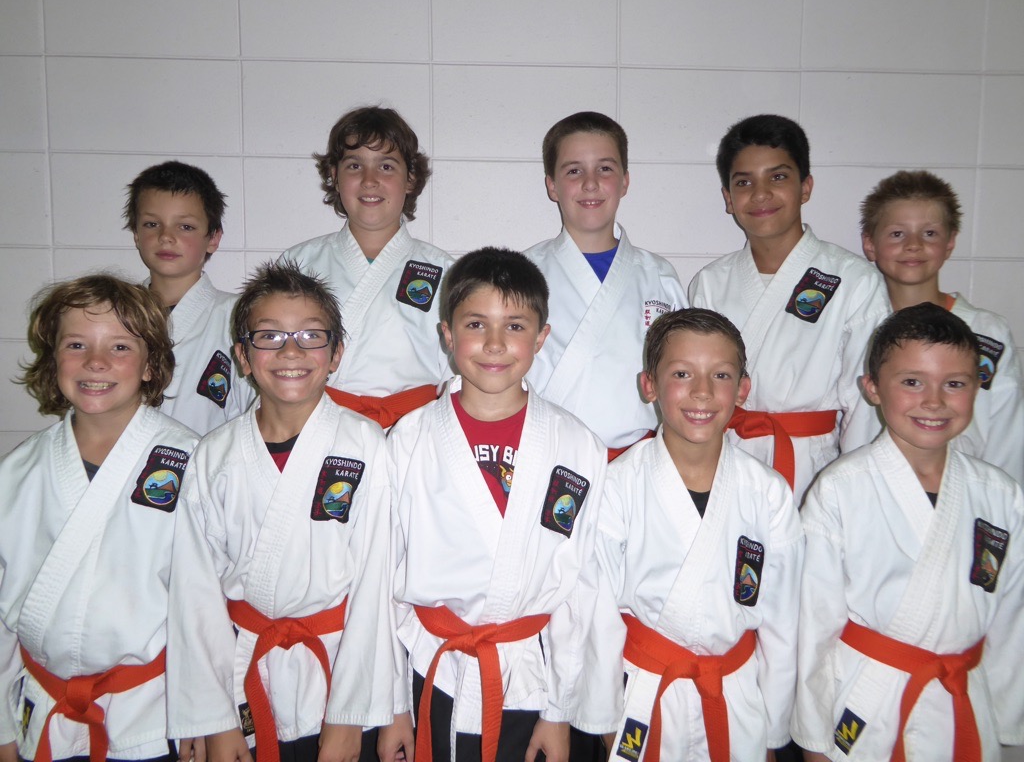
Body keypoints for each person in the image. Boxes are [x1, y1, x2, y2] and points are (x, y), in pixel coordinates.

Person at [384, 247, 607, 762]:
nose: (494, 344)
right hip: (432, 667)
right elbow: (384, 577)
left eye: (515, 327)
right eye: (476, 324)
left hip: (533, 673)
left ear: (542, 338)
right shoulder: (410, 438)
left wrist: (559, 711)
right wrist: (393, 705)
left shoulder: (577, 445)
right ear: (447, 334)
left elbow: (582, 586)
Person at [166, 261, 394, 762]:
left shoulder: (367, 445)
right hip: (244, 670)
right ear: (243, 357)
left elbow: (377, 586)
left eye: (311, 336)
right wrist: (214, 719)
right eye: (269, 336)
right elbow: (194, 595)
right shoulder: (214, 455)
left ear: (336, 353)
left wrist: (349, 715)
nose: (291, 352)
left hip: (335, 669)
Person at [792, 303, 1024, 761]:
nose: (934, 401)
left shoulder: (1000, 495)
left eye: (955, 383)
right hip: (865, 706)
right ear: (872, 388)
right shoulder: (840, 490)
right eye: (912, 382)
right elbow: (813, 626)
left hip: (964, 704)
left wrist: (1008, 723)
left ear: (977, 387)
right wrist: (815, 741)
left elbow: (1012, 624)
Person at [582, 308, 803, 762]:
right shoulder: (617, 485)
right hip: (643, 693)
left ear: (742, 389)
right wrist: (605, 719)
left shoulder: (768, 492)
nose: (702, 391)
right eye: (682, 373)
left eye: (720, 375)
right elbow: (596, 615)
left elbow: (783, 622)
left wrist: (774, 730)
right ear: (649, 385)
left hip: (737, 693)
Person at [0, 275, 199, 762]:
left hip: (152, 717)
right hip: (42, 711)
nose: (95, 361)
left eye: (119, 346)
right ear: (53, 359)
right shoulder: (17, 472)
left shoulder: (193, 463)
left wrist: (205, 716)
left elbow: (206, 611)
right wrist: (2, 731)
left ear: (150, 365)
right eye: (76, 344)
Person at [688, 114, 889, 503]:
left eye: (778, 177)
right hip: (725, 463)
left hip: (815, 473)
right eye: (744, 182)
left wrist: (853, 494)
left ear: (805, 187)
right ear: (728, 198)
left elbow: (866, 408)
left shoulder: (854, 281)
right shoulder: (710, 283)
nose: (760, 194)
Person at [523, 111, 688, 457]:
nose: (590, 183)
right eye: (574, 171)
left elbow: (682, 375)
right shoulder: (522, 273)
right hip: (547, 457)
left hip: (637, 464)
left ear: (625, 181)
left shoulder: (658, 275)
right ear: (552, 186)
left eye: (605, 169)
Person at [279, 106, 453, 427]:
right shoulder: (298, 264)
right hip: (320, 426)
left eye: (386, 166)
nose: (370, 181)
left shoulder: (447, 271)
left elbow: (461, 372)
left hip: (416, 432)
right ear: (335, 176)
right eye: (355, 165)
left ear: (410, 178)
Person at [861, 169, 1024, 485]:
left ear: (950, 242)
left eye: (929, 233)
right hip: (867, 489)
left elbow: (1008, 433)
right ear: (870, 244)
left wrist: (999, 497)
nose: (913, 245)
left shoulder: (987, 332)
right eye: (897, 234)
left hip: (965, 490)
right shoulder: (856, 323)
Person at [125, 160, 254, 436]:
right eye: (151, 224)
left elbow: (259, 417)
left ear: (213, 238)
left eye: (185, 226)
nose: (165, 237)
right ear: (136, 234)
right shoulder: (114, 316)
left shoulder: (241, 317)